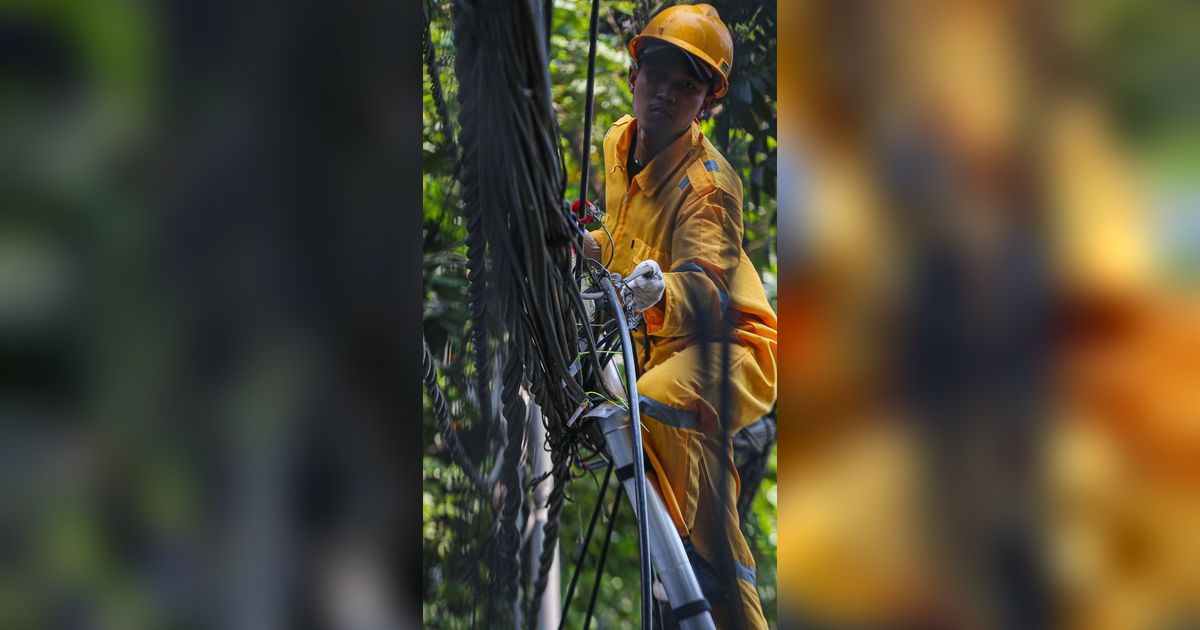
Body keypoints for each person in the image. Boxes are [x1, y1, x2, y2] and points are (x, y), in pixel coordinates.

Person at [581, 5, 777, 627]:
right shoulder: (618, 143)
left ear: (706, 104)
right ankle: (700, 586)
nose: (666, 93)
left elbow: (708, 292)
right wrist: (586, 247)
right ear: (633, 73)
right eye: (658, 75)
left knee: (650, 403)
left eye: (686, 85)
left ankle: (690, 571)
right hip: (666, 349)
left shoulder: (710, 186)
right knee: (708, 512)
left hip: (732, 348)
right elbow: (621, 237)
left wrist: (658, 291)